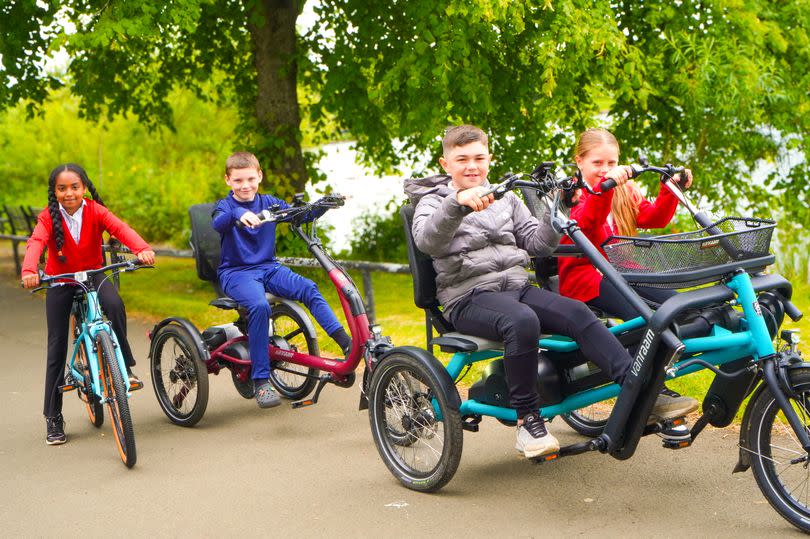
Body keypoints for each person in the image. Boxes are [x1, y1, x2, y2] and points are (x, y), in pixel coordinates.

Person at [405, 125, 687, 460]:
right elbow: (427, 241)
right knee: (522, 321)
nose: (471, 166)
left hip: (516, 288)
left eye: (479, 158)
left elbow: (538, 245)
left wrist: (560, 209)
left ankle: (640, 390)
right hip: (466, 298)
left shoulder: (505, 198)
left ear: (490, 160)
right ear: (445, 163)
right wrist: (456, 204)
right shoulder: (431, 202)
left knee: (577, 312)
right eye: (461, 159)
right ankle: (528, 421)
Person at [558, 127, 698, 414]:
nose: (604, 169)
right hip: (586, 277)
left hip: (621, 270)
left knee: (678, 306)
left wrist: (671, 188)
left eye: (611, 163)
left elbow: (654, 218)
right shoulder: (571, 195)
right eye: (597, 163)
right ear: (579, 161)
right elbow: (590, 227)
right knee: (644, 318)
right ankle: (647, 392)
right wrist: (605, 189)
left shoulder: (623, 191)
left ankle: (652, 367)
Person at [21, 163, 156, 446]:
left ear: (84, 188)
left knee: (115, 306)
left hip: (94, 274)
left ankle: (125, 368)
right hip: (61, 280)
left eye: (74, 187)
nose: (69, 193)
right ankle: (53, 416)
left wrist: (141, 248)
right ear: (54, 191)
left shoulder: (96, 210)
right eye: (62, 188)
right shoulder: (48, 217)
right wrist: (29, 271)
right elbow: (36, 243)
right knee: (56, 344)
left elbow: (121, 229)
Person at [212, 152, 351, 409]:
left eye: (251, 179)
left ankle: (347, 345)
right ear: (228, 180)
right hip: (236, 273)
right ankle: (262, 382)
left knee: (309, 288)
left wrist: (324, 204)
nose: (245, 185)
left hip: (269, 268)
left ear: (260, 176)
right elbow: (218, 223)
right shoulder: (225, 207)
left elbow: (300, 215)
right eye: (239, 180)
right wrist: (237, 215)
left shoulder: (269, 202)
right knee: (259, 306)